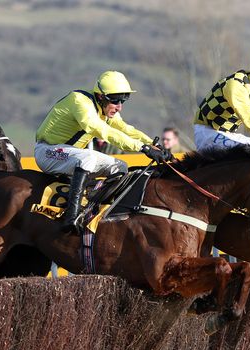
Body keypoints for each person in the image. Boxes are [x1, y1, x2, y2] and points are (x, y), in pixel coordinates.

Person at [34, 70, 171, 233]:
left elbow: (125, 129)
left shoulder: (105, 108)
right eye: (116, 101)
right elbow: (101, 130)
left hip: (69, 154)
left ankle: (100, 213)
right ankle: (72, 216)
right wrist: (142, 148)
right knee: (88, 158)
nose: (119, 107)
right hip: (46, 151)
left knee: (120, 166)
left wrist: (152, 144)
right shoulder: (79, 101)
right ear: (100, 96)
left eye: (123, 101)